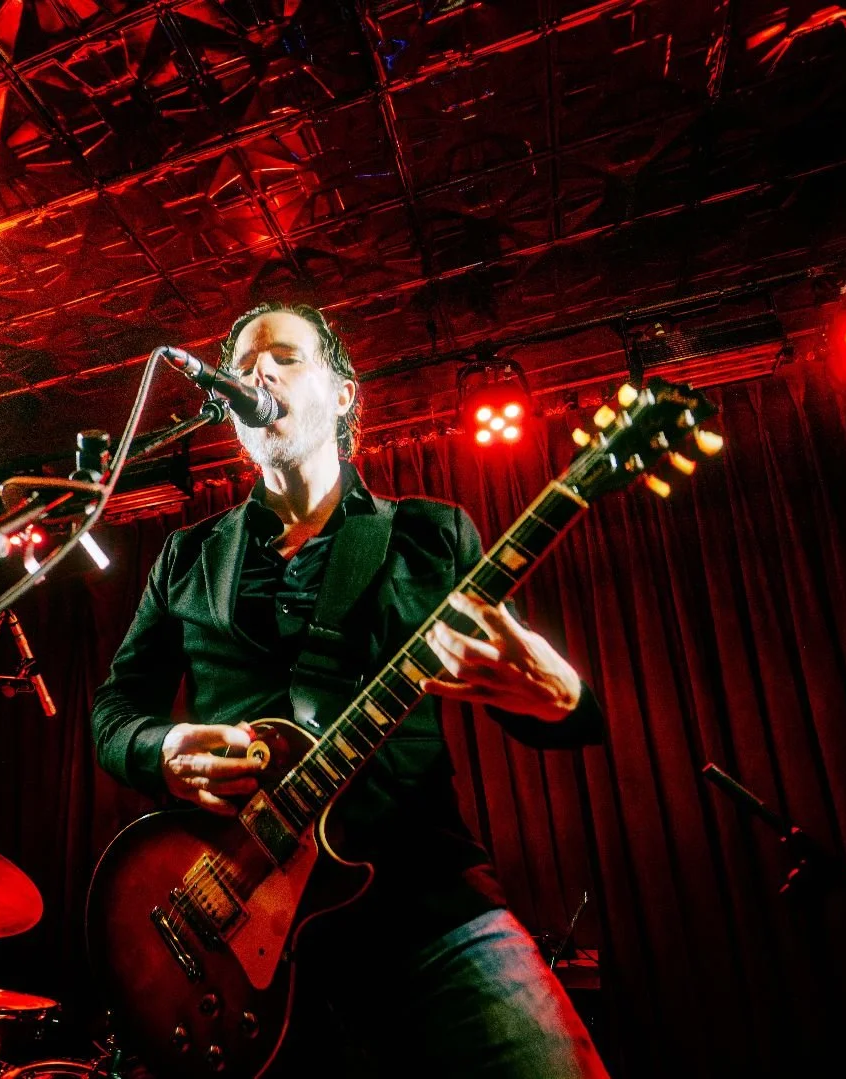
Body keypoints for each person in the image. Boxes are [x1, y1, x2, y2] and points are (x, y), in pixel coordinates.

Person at [92, 302, 611, 1077]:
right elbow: (113, 711)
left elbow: (539, 708)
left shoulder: (431, 535)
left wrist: (560, 692)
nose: (256, 372)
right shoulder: (186, 555)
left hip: (426, 908)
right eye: (241, 364)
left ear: (342, 395)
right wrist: (163, 748)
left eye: (284, 356)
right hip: (233, 927)